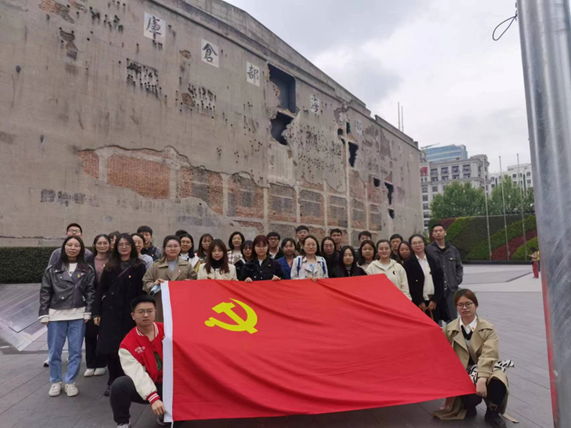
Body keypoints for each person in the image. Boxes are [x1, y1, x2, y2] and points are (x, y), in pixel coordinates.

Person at [434, 289, 511, 428]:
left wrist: (481, 378)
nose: (464, 308)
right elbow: (441, 354)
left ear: (476, 305)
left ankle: (492, 411)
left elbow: (490, 355)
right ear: (456, 307)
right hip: (462, 372)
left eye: (468, 304)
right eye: (460, 305)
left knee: (499, 380)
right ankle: (468, 406)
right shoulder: (449, 329)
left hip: (486, 367)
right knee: (470, 395)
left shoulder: (488, 329)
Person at [39, 236, 95, 397]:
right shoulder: (52, 269)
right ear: (63, 247)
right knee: (54, 351)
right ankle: (55, 381)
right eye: (69, 245)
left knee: (75, 351)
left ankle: (70, 381)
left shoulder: (87, 269)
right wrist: (44, 313)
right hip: (56, 313)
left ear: (81, 248)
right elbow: (45, 291)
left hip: (78, 313)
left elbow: (90, 291)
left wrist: (88, 311)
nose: (73, 248)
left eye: (76, 245)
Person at [93, 233, 147, 396]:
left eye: (127, 244)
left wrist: (141, 312)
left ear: (132, 246)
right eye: (120, 245)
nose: (124, 247)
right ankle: (113, 381)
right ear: (116, 247)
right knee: (112, 349)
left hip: (130, 313)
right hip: (111, 312)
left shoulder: (139, 266)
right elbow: (100, 290)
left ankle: (128, 381)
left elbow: (141, 291)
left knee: (129, 348)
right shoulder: (110, 266)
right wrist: (96, 312)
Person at [110, 295, 167, 428]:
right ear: (133, 315)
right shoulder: (127, 344)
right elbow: (137, 374)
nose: (146, 315)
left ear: (155, 312)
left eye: (149, 311)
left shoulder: (168, 331)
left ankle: (166, 413)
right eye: (141, 312)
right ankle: (123, 422)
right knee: (119, 385)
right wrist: (153, 397)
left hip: (171, 384)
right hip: (147, 385)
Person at [143, 235, 198, 322]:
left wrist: (189, 283)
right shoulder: (156, 265)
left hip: (181, 303)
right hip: (161, 303)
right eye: (169, 246)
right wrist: (155, 284)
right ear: (164, 249)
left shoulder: (186, 265)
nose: (173, 249)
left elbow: (195, 282)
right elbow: (146, 282)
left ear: (180, 248)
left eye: (176, 246)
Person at [404, 234, 447, 324]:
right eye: (414, 243)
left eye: (420, 242)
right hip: (419, 302)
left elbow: (440, 281)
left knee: (436, 325)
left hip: (434, 301)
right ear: (411, 246)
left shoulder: (434, 260)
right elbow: (410, 284)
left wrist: (435, 300)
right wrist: (419, 301)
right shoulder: (408, 263)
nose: (417, 245)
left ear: (424, 243)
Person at [85, 234, 111, 378]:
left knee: (104, 333)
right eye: (99, 243)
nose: (102, 246)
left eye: (105, 243)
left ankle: (101, 363)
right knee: (90, 333)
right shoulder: (88, 261)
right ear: (95, 245)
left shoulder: (113, 260)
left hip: (108, 300)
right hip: (91, 299)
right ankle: (90, 363)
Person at [426, 223, 464, 320]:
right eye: (436, 231)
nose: (438, 233)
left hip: (451, 290)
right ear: (432, 234)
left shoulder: (453, 250)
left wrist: (456, 280)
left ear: (445, 233)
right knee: (436, 319)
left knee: (452, 319)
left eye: (440, 230)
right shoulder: (428, 250)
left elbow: (459, 267)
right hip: (435, 291)